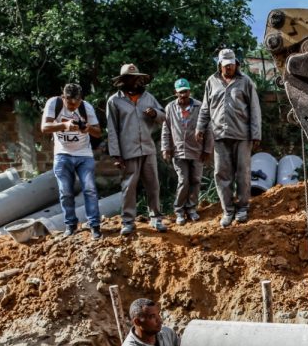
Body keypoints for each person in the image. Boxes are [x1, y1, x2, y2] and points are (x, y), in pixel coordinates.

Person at [196, 48, 261, 228]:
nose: (229, 67)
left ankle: (242, 207)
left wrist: (256, 133)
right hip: (219, 135)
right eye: (226, 65)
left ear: (236, 63)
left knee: (243, 173)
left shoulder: (245, 82)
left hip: (242, 135)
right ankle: (228, 210)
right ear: (220, 65)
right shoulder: (211, 81)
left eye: (231, 64)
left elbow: (255, 109)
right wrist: (200, 127)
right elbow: (205, 108)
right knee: (221, 173)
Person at [106, 63, 167, 235]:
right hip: (128, 151)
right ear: (123, 80)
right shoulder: (115, 101)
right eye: (131, 78)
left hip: (148, 149)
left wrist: (155, 113)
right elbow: (112, 129)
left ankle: (156, 218)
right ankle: (127, 221)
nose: (135, 80)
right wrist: (116, 155)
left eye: (137, 77)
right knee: (129, 187)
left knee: (153, 185)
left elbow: (164, 117)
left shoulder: (148, 98)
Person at [40, 84, 103, 240]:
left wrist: (87, 128)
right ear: (64, 98)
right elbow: (44, 127)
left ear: (81, 99)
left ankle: (94, 225)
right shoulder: (54, 104)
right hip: (62, 154)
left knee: (89, 189)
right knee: (65, 192)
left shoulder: (86, 107)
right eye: (70, 104)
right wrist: (64, 125)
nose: (74, 106)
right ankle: (70, 225)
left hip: (84, 154)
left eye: (77, 103)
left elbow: (98, 132)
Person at [161, 78, 211, 225]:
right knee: (183, 180)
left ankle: (192, 208)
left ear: (190, 91)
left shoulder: (199, 106)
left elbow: (209, 128)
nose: (184, 95)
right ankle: (179, 210)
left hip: (197, 150)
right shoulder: (170, 108)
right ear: (175, 93)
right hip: (178, 151)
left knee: (195, 180)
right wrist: (165, 148)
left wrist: (207, 149)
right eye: (180, 92)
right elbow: (166, 130)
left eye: (186, 91)